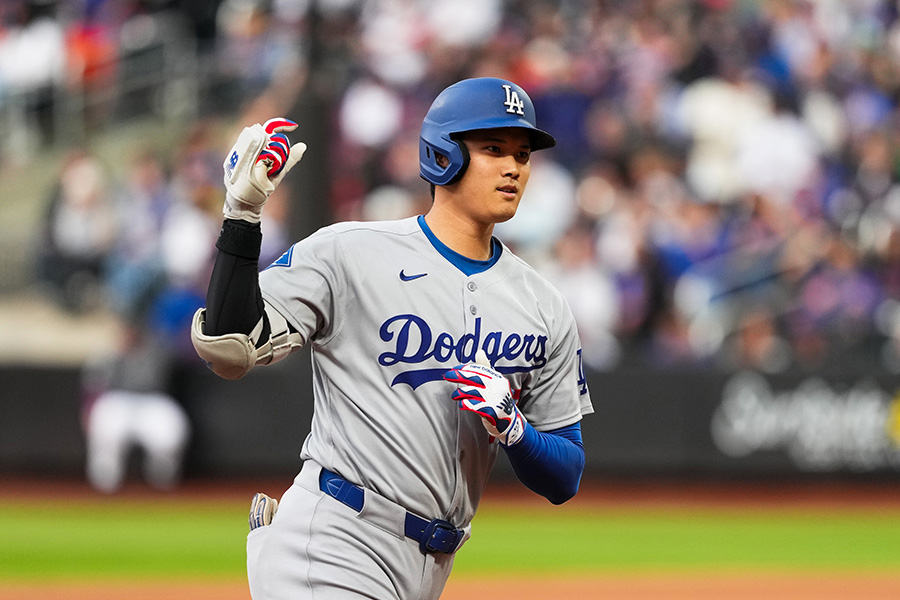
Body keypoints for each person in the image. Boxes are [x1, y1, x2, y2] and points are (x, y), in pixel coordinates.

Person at [191, 77, 593, 600]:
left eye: (522, 153)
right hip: (338, 539)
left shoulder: (544, 305)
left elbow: (565, 476)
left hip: (432, 565)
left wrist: (515, 430)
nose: (514, 166)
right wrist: (242, 217)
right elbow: (230, 346)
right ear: (443, 155)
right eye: (493, 149)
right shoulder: (351, 252)